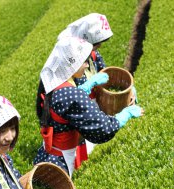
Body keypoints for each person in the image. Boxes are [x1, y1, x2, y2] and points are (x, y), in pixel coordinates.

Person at [34, 37, 143, 177]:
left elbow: (66, 103)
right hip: (60, 160)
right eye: (83, 62)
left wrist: (86, 88)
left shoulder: (56, 82)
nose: (86, 65)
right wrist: (125, 115)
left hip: (48, 152)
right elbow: (103, 129)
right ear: (71, 64)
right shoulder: (70, 94)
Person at [57, 13, 137, 162]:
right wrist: (89, 85)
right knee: (81, 156)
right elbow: (64, 98)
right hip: (77, 116)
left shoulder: (93, 55)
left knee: (97, 147)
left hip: (94, 109)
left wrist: (129, 89)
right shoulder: (68, 62)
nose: (98, 47)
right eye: (95, 44)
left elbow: (108, 76)